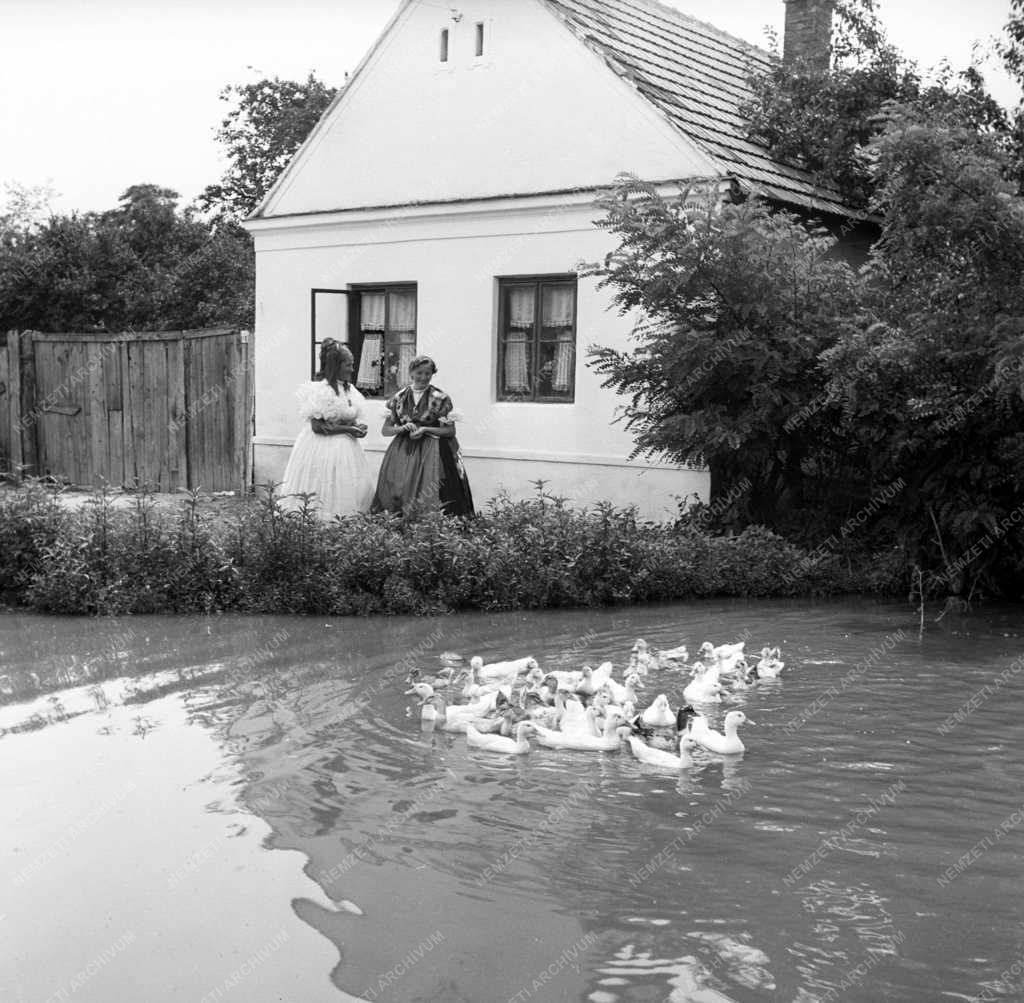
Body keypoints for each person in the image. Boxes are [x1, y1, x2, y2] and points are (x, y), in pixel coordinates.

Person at [279, 339, 374, 519]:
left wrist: (357, 426)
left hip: (348, 451)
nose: (352, 369)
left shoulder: (349, 390)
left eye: (352, 365)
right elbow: (317, 427)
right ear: (335, 366)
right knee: (323, 486)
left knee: (347, 487)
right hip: (321, 448)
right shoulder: (320, 391)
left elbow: (347, 416)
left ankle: (345, 524)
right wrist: (348, 430)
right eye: (348, 365)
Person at [371, 354, 474, 516]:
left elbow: (450, 431)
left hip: (434, 450)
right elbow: (386, 431)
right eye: (419, 373)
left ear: (433, 374)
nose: (423, 377)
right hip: (402, 452)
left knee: (434, 489)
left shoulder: (441, 398)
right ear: (411, 373)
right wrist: (403, 428)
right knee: (399, 488)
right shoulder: (399, 398)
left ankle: (432, 526)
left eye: (428, 373)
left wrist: (426, 429)